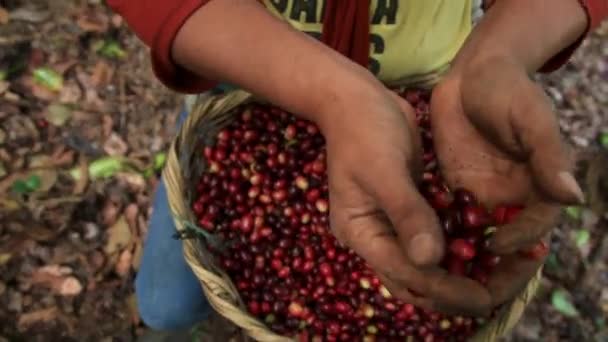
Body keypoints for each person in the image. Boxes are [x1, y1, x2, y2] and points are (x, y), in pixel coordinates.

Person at [109, 0, 607, 332]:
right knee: (166, 304)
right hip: (243, 75)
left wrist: (499, 52)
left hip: (428, 86)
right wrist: (334, 95)